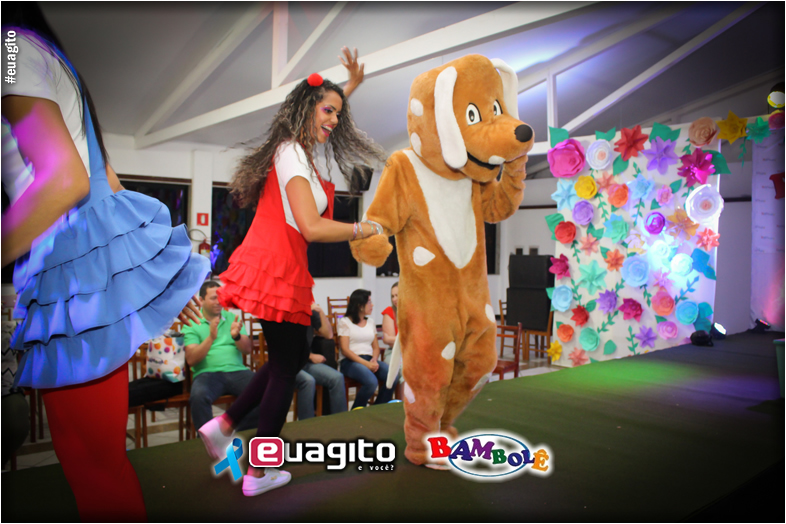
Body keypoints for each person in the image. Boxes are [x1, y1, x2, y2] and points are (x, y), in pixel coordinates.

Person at [1, 5, 209, 521]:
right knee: (95, 470)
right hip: (74, 275)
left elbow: (65, 179)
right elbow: (108, 185)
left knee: (95, 473)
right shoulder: (40, 54)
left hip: (70, 277)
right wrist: (161, 284)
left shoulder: (9, 46)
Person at [197, 47, 386, 497]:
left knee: (291, 358)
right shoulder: (291, 155)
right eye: (328, 111)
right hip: (275, 267)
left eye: (338, 113)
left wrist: (349, 87)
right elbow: (312, 226)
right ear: (306, 108)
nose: (334, 120)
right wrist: (363, 228)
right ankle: (258, 471)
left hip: (283, 267)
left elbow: (322, 104)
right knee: (286, 369)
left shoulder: (298, 151)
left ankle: (225, 426)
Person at [182, 281, 259, 432]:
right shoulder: (192, 323)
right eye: (213, 298)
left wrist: (237, 337)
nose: (218, 302)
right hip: (207, 374)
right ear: (201, 300)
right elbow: (191, 359)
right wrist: (211, 337)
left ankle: (239, 432)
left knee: (264, 390)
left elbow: (247, 350)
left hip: (237, 371)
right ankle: (208, 439)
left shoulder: (231, 318)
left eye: (221, 297)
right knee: (198, 397)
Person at [338, 289, 397, 409]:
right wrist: (365, 364)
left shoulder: (370, 322)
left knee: (392, 376)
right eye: (369, 302)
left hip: (369, 359)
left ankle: (378, 409)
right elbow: (345, 350)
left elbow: (375, 347)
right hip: (350, 361)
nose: (372, 305)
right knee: (371, 382)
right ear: (360, 306)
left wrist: (374, 359)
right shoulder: (345, 322)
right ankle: (357, 410)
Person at [293, 303, 346, 419]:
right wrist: (310, 356)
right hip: (290, 363)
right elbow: (286, 345)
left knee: (337, 378)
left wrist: (320, 312)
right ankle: (307, 426)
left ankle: (341, 421)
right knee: (308, 381)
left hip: (306, 363)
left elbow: (329, 335)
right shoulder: (286, 310)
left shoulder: (309, 311)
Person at [380, 281, 398, 360]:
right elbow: (389, 342)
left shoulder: (414, 311)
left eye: (397, 295)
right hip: (394, 351)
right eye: (392, 296)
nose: (394, 299)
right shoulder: (389, 311)